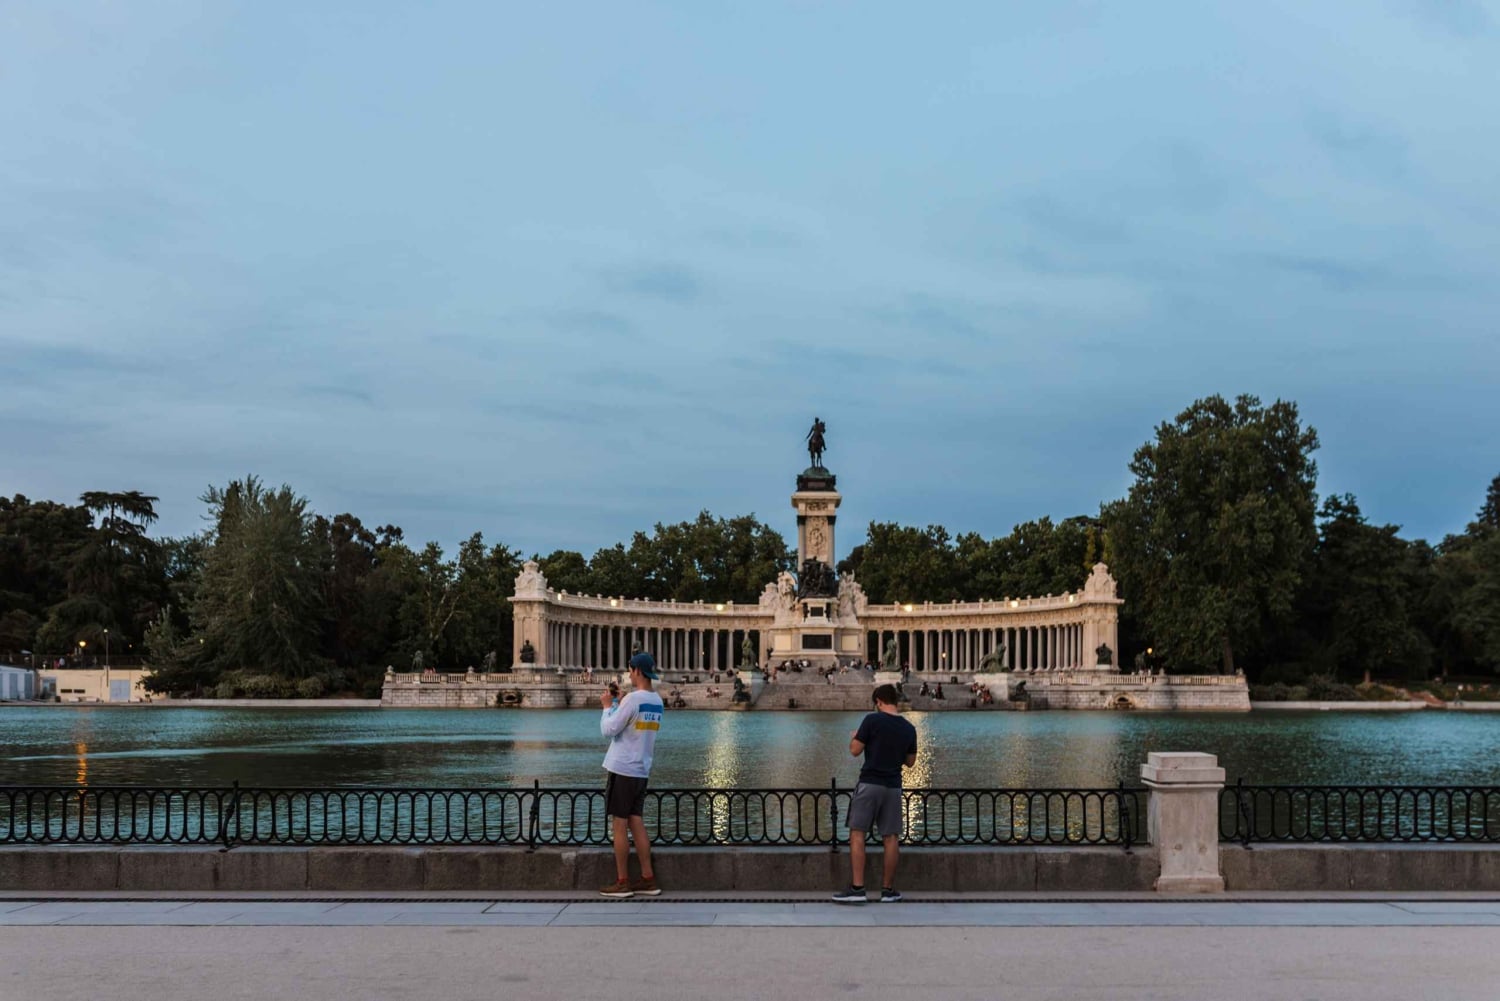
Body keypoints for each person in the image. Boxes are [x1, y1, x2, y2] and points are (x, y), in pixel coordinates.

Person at [833, 683, 918, 905]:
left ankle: (858, 888)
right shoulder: (909, 728)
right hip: (893, 786)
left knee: (857, 833)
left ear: (879, 702)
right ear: (895, 701)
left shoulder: (872, 720)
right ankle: (888, 890)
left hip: (870, 783)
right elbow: (910, 762)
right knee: (891, 837)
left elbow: (855, 750)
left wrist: (856, 736)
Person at [598, 652, 666, 898]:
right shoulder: (657, 701)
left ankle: (622, 881)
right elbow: (633, 726)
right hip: (641, 769)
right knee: (636, 821)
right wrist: (620, 703)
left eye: (630, 670)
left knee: (619, 824)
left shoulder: (633, 700)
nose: (629, 674)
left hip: (622, 768)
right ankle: (648, 878)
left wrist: (608, 707)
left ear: (637, 670)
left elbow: (609, 729)